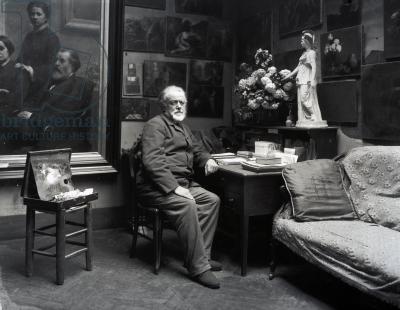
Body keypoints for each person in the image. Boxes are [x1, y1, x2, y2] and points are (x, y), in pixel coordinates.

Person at [136, 85, 222, 289]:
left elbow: (198, 150)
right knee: (187, 204)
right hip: (154, 187)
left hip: (182, 183)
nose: (178, 106)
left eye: (181, 102)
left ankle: (202, 256)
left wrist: (207, 160)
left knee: (212, 200)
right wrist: (174, 188)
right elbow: (152, 162)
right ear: (164, 105)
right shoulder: (154, 125)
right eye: (173, 102)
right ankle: (198, 268)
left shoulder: (183, 127)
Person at [17, 49, 95, 152]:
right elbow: (33, 103)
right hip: (40, 135)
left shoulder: (78, 88)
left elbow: (59, 117)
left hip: (61, 144)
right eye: (56, 60)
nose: (56, 63)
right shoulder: (51, 82)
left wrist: (31, 115)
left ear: (73, 66)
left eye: (62, 61)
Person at [16, 1, 60, 103]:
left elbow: (52, 65)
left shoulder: (52, 38)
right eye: (32, 14)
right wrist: (19, 64)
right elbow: (21, 57)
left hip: (42, 81)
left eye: (38, 14)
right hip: (24, 77)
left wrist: (31, 69)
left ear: (46, 17)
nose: (34, 17)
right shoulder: (29, 36)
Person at [283, 30, 327, 128]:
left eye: (302, 40)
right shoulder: (303, 54)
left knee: (304, 98)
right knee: (302, 100)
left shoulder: (311, 53)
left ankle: (313, 114)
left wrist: (312, 80)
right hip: (301, 78)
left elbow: (314, 66)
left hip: (307, 79)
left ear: (307, 41)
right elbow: (298, 67)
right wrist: (288, 76)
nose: (301, 42)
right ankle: (306, 118)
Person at [0, 35, 30, 153]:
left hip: (9, 115)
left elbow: (17, 100)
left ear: (9, 50)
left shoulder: (19, 70)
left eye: (1, 48)